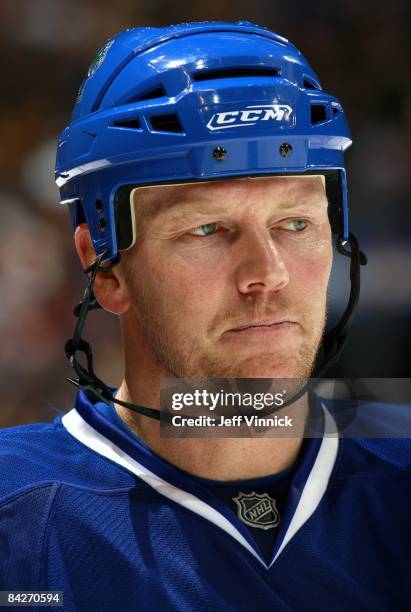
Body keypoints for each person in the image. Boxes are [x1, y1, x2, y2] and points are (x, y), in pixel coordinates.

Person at [0, 21, 409, 611]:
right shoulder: (18, 517)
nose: (267, 273)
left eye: (295, 223)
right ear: (106, 268)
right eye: (207, 229)